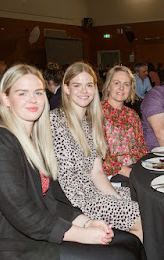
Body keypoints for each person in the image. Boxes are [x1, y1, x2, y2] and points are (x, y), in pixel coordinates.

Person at [0, 64, 144, 260]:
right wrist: (81, 233)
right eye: (22, 93)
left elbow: (49, 200)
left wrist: (86, 221)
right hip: (9, 246)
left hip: (39, 232)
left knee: (131, 243)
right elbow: (25, 215)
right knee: (121, 258)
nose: (33, 99)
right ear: (5, 99)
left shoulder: (34, 140)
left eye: (38, 92)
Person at [50, 62, 143, 242]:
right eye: (77, 85)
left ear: (95, 89)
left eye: (89, 85)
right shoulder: (54, 120)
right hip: (75, 200)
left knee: (147, 203)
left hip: (93, 191)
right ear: (66, 88)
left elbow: (97, 172)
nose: (84, 91)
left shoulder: (91, 123)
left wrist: (116, 198)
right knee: (140, 214)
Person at [101, 65, 148, 178]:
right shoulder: (97, 113)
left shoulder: (132, 115)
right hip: (111, 174)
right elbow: (98, 154)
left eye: (126, 84)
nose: (121, 88)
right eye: (117, 83)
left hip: (135, 169)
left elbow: (142, 148)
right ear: (108, 86)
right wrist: (128, 172)